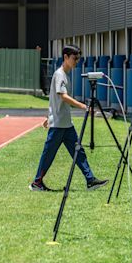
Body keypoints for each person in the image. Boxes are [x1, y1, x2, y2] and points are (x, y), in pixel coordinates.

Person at [30, 45, 108, 191]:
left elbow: (54, 99)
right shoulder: (60, 74)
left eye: (77, 59)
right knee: (48, 155)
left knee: (79, 152)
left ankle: (90, 180)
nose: (76, 62)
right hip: (59, 124)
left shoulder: (65, 75)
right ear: (65, 57)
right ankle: (37, 183)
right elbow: (63, 96)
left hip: (66, 124)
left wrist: (48, 116)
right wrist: (84, 106)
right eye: (74, 58)